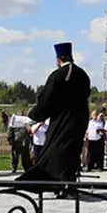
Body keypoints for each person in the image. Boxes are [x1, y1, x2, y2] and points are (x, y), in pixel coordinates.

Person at [18, 42, 91, 187]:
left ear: (59, 60)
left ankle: (57, 183)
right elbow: (87, 93)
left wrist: (35, 114)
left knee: (56, 151)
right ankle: (69, 182)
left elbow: (47, 99)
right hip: (80, 120)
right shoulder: (83, 74)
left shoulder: (58, 75)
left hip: (62, 120)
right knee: (72, 150)